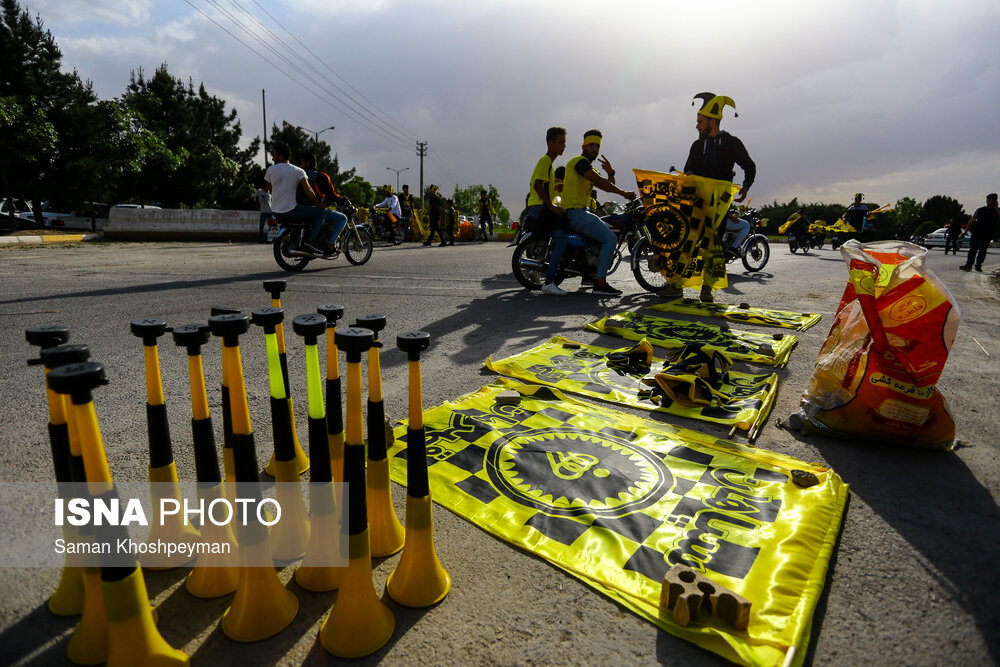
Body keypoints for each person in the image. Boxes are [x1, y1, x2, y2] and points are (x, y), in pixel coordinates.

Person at [681, 93, 756, 302]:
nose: (697, 126)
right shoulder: (697, 146)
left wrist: (746, 186)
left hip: (719, 205)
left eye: (700, 122)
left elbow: (749, 166)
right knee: (686, 243)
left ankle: (706, 288)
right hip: (696, 203)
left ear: (712, 121)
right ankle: (675, 285)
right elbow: (688, 170)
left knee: (712, 245)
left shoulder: (732, 143)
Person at [562, 129, 637, 296]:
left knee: (604, 233)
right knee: (610, 239)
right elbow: (601, 183)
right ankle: (600, 283)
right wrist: (624, 193)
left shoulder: (589, 167)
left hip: (581, 212)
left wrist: (611, 172)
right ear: (583, 146)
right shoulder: (579, 162)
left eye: (597, 146)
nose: (594, 149)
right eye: (591, 145)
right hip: (576, 212)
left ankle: (589, 276)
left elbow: (607, 183)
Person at [264, 143, 347, 256]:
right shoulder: (298, 171)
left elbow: (269, 190)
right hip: (291, 210)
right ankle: (310, 241)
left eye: (274, 154)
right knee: (321, 212)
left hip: (275, 211)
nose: (273, 157)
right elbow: (308, 189)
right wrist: (318, 203)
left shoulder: (270, 170)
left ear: (281, 156)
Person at [523, 126, 569, 296]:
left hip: (540, 206)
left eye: (564, 142)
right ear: (550, 143)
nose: (564, 145)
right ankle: (549, 282)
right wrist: (551, 207)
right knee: (562, 240)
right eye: (560, 142)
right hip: (538, 207)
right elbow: (537, 185)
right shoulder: (545, 161)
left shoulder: (549, 162)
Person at [960, 193, 999, 272]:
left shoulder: (997, 211)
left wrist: (996, 208)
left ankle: (978, 265)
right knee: (973, 249)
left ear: (995, 201)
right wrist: (966, 231)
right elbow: (972, 220)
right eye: (989, 200)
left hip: (988, 233)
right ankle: (968, 265)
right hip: (977, 232)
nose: (990, 202)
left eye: (992, 200)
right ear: (986, 200)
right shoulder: (980, 210)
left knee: (983, 250)